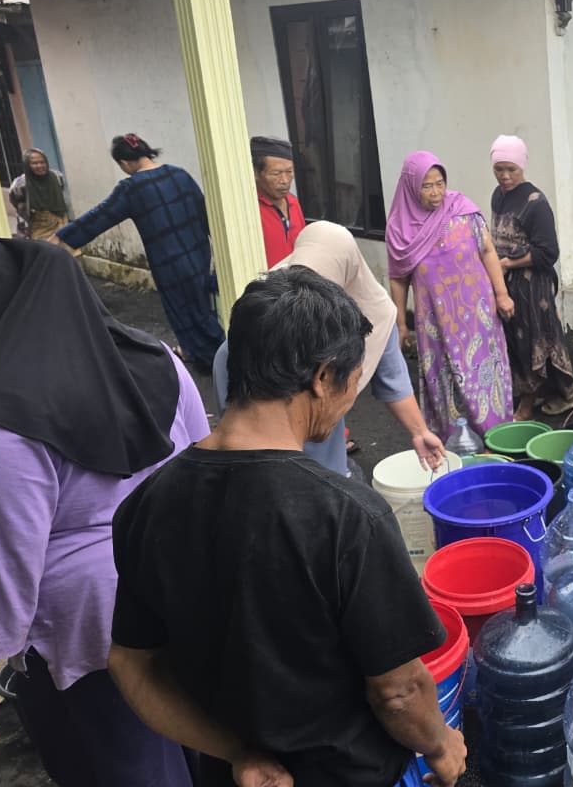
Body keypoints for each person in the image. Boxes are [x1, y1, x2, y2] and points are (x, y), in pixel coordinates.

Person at [107, 267, 467, 787]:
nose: (351, 399)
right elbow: (398, 691)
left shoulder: (145, 504)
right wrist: (440, 743)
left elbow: (130, 666)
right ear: (322, 378)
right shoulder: (347, 518)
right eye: (352, 381)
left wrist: (237, 753)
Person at [0, 238, 208, 785]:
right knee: (206, 755)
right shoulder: (156, 359)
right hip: (186, 602)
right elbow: (208, 472)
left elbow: (3, 568)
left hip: (87, 640)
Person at [212, 221, 445, 476]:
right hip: (263, 467)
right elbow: (233, 419)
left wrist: (420, 432)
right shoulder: (262, 320)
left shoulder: (373, 310)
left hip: (326, 461)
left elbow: (393, 379)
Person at [55, 133, 225, 368]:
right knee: (202, 304)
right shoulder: (179, 174)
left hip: (169, 263)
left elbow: (101, 216)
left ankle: (212, 359)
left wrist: (63, 237)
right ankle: (199, 351)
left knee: (184, 311)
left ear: (124, 163)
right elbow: (206, 213)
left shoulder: (131, 188)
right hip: (198, 254)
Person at [386, 151, 514, 440]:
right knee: (446, 377)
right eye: (426, 185)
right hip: (435, 321)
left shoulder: (463, 211)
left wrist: (502, 294)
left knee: (485, 370)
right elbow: (397, 278)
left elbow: (488, 251)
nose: (436, 192)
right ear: (410, 186)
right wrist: (400, 324)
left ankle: (496, 435)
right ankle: (456, 441)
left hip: (478, 313)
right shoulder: (399, 228)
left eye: (440, 183)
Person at [489, 134, 573, 421]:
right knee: (513, 341)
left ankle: (531, 402)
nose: (504, 176)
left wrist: (509, 262)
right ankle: (542, 393)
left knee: (533, 340)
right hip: (506, 282)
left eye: (511, 169)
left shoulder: (535, 201)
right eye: (499, 168)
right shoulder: (498, 195)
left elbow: (548, 252)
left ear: (522, 166)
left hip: (532, 286)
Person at [251, 135, 306, 266]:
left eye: (289, 172)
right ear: (256, 173)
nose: (285, 181)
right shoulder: (251, 210)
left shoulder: (293, 202)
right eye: (276, 174)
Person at [8, 149, 70, 241]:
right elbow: (15, 201)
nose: (40, 166)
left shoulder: (57, 176)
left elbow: (61, 191)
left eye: (42, 162)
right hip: (39, 227)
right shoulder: (20, 184)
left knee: (65, 251)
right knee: (45, 252)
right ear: (27, 165)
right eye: (34, 163)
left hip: (60, 222)